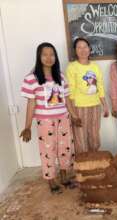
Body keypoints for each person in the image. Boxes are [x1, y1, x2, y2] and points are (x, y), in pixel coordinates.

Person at [20, 42, 80, 194]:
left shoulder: (60, 76)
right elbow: (31, 103)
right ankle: (51, 180)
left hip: (63, 119)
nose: (48, 57)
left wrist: (74, 116)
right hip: (45, 122)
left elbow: (67, 100)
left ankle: (64, 176)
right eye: (44, 54)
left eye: (51, 54)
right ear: (39, 57)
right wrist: (27, 127)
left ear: (55, 57)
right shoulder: (31, 78)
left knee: (65, 148)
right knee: (48, 151)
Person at [66, 37, 109, 153]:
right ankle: (83, 165)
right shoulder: (72, 67)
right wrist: (73, 113)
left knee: (94, 136)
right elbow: (70, 90)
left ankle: (94, 161)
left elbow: (100, 87)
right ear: (75, 50)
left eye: (85, 47)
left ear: (89, 49)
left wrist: (105, 105)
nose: (82, 50)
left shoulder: (95, 67)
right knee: (80, 137)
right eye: (79, 47)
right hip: (79, 107)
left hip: (95, 106)